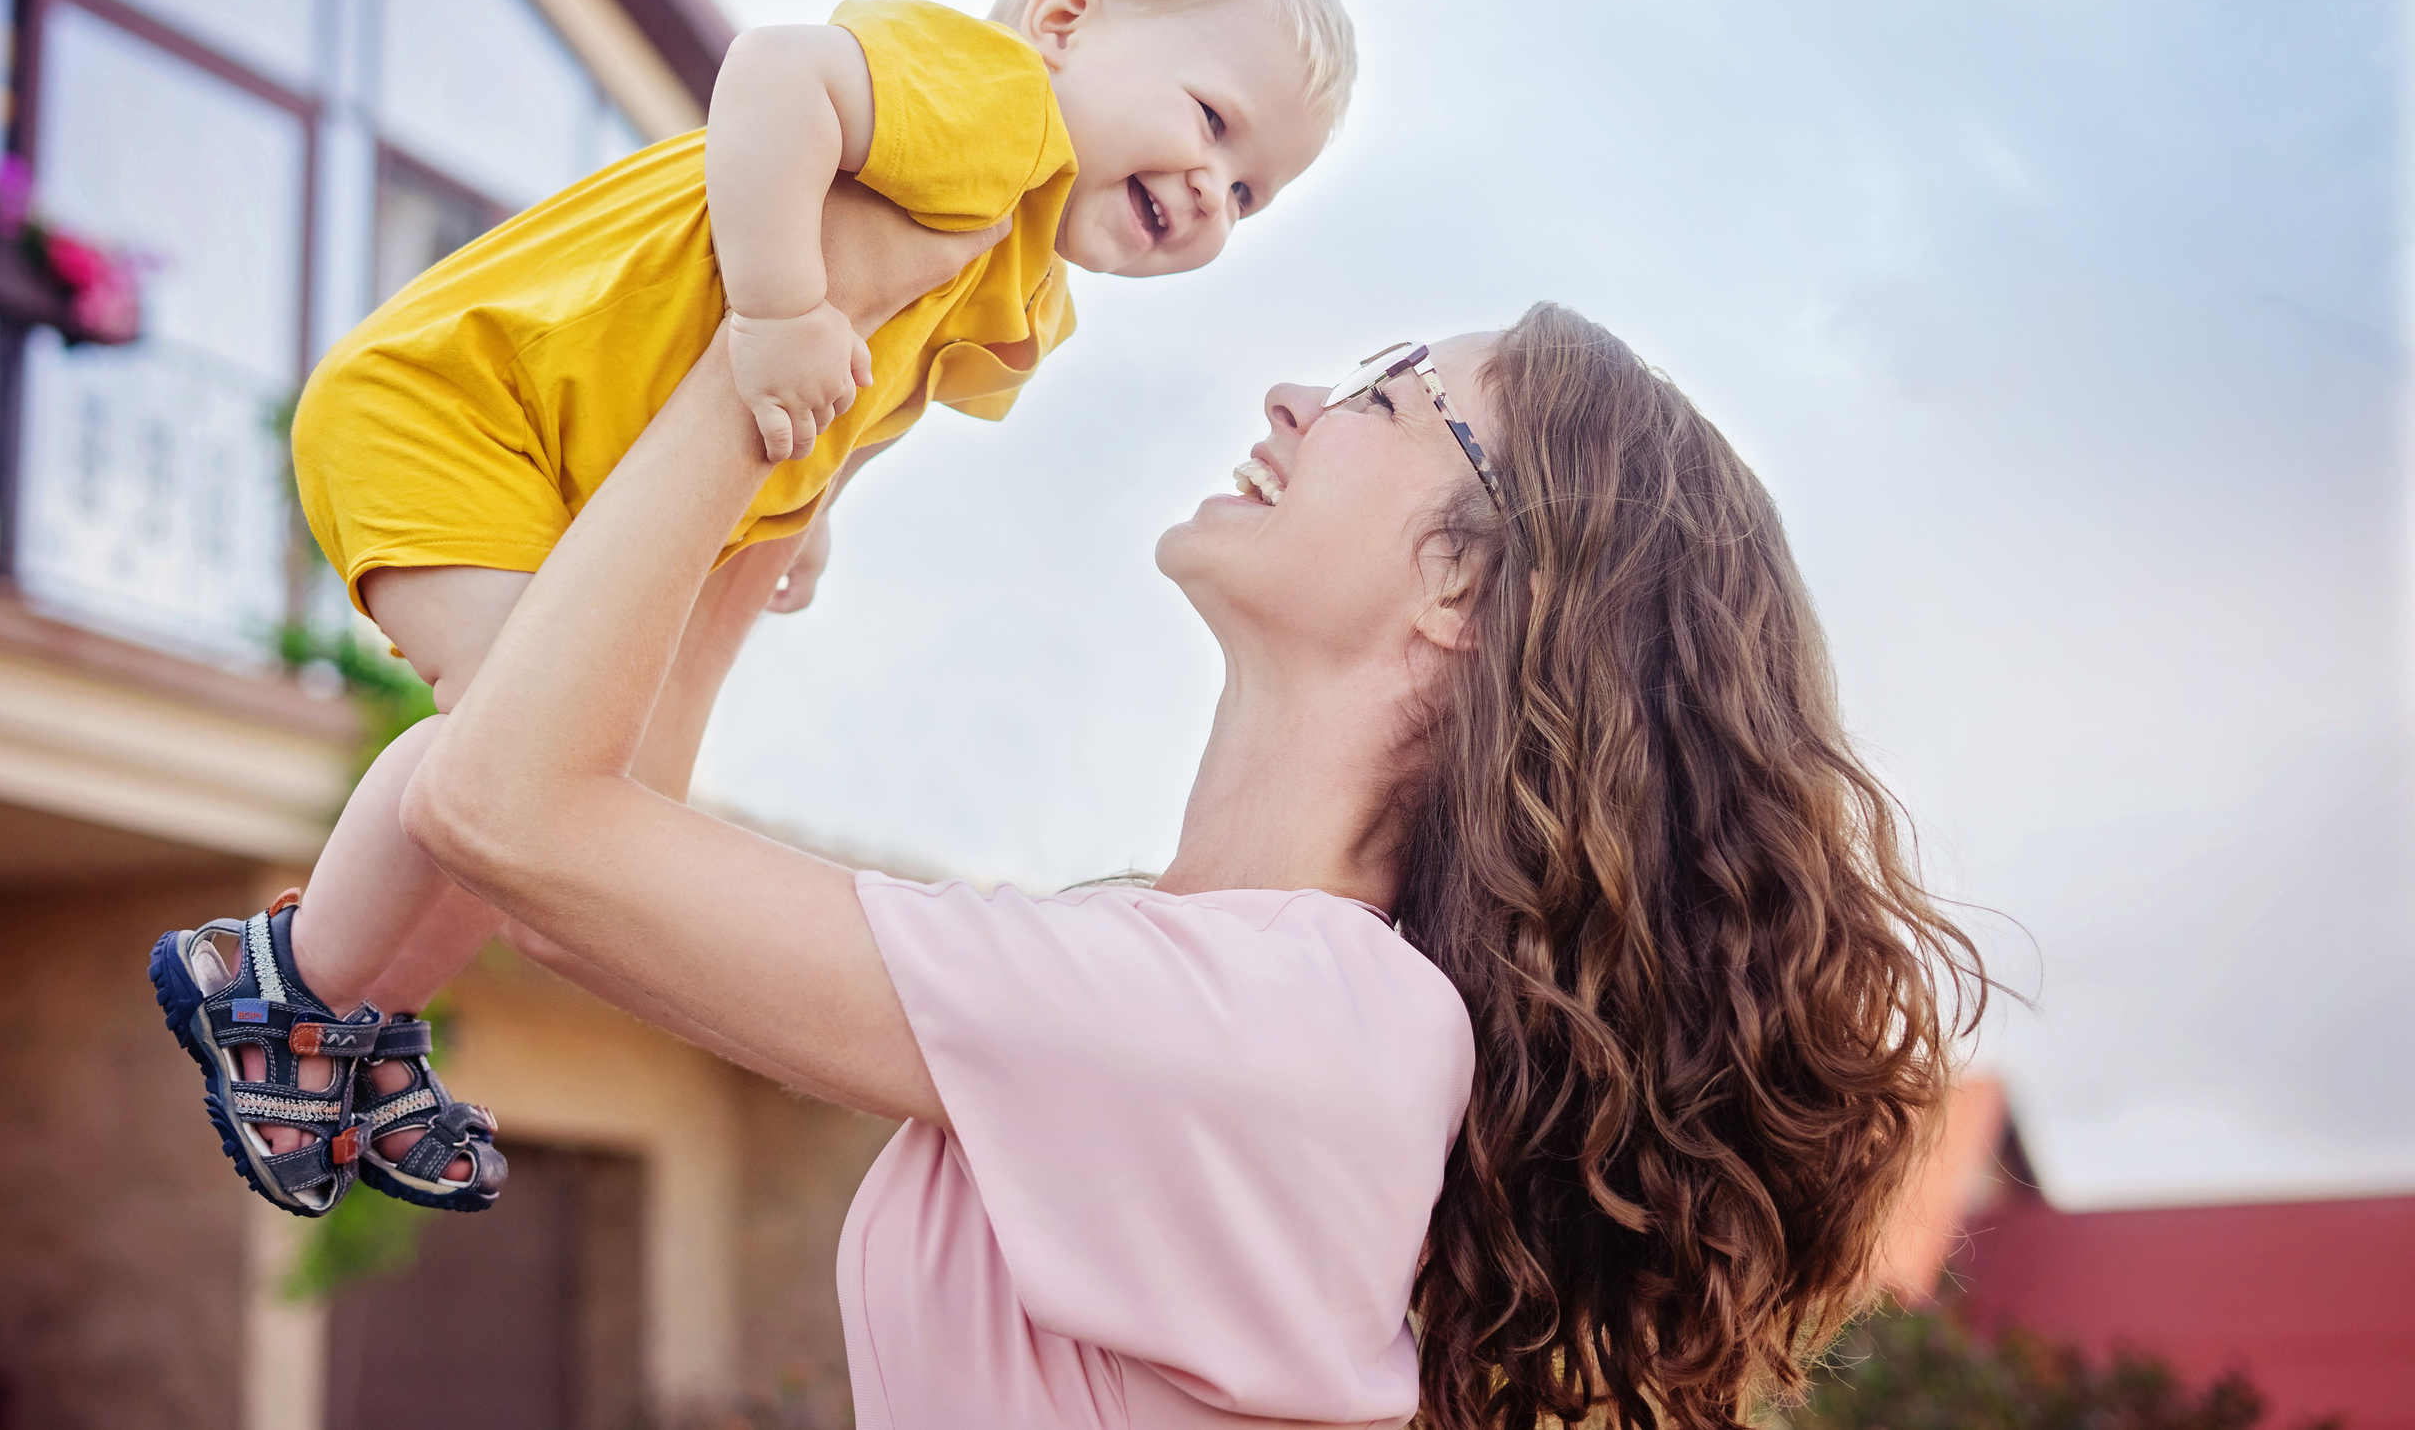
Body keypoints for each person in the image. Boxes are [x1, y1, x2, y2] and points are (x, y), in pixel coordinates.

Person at [388, 300, 1986, 1429]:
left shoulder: (1298, 1025)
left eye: (1388, 399)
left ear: (1463, 585)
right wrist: (774, 487)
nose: (1294, 399)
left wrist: (770, 359)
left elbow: (516, 823)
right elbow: (569, 886)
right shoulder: (1184, 970)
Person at [146, 0, 1352, 1218]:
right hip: (463, 404)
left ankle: (363, 1020)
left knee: (563, 796)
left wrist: (814, 506)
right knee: (515, 739)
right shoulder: (994, 102)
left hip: (565, 468)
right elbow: (777, 74)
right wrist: (777, 309)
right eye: (1211, 122)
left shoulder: (1031, 282)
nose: (1214, 191)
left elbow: (886, 388)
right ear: (1064, 21)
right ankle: (279, 989)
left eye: (1251, 193)